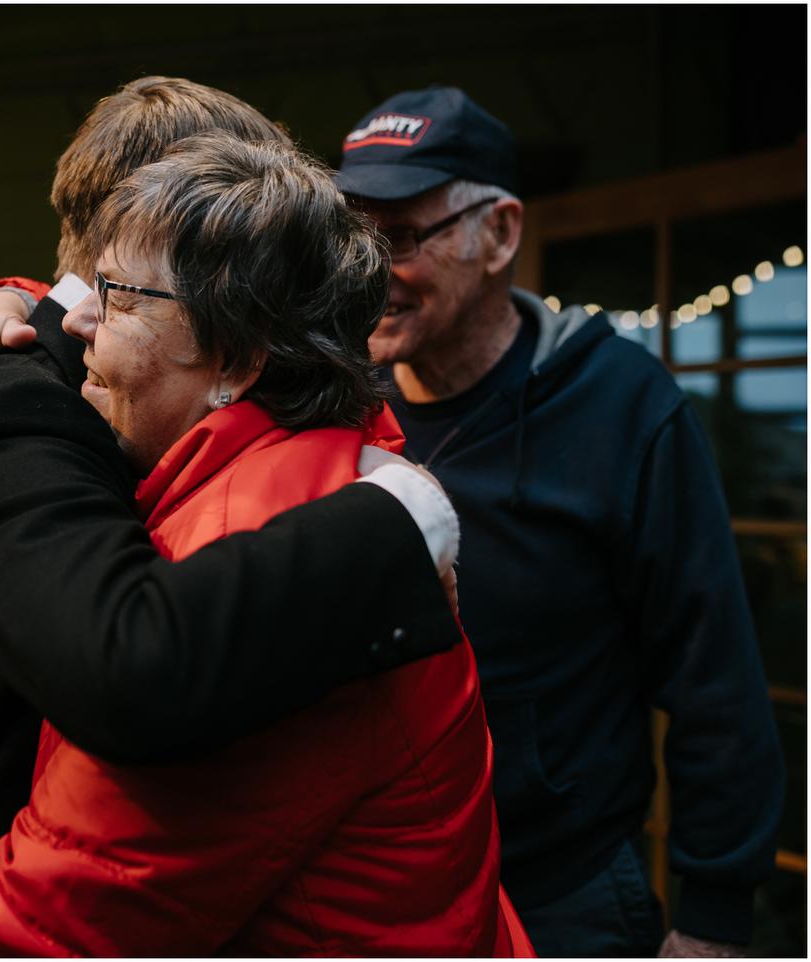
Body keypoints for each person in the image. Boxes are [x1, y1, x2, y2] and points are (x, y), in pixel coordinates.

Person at [0, 133, 532, 956]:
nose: (70, 320)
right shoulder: (314, 454)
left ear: (236, 361)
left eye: (113, 296)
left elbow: (43, 933)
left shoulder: (228, 567)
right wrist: (20, 298)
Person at [327, 87, 782, 958]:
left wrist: (715, 917)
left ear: (498, 233)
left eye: (401, 238)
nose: (367, 269)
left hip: (561, 894)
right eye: (351, 238)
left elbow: (712, 675)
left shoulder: (622, 405)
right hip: (379, 889)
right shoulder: (337, 399)